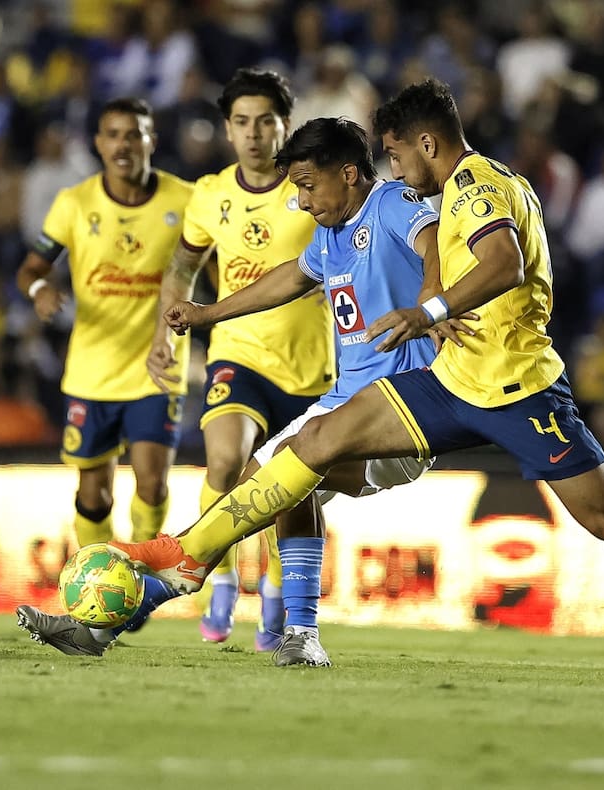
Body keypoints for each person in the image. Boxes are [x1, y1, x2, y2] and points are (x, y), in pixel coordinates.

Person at [103, 78, 604, 684]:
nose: (392, 167)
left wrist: (432, 308)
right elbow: (424, 257)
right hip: (450, 381)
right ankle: (191, 556)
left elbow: (503, 261)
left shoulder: (473, 184)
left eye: (393, 153)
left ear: (425, 143)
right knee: (319, 437)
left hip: (518, 390)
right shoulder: (460, 189)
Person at [16, 116, 470, 663]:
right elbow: (287, 278)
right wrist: (209, 312)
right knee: (270, 488)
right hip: (343, 405)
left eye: (307, 185)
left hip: (400, 408)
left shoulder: (392, 203)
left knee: (273, 476)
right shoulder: (330, 236)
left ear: (349, 173)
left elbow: (436, 243)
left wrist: (432, 303)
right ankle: (259, 628)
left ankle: (188, 572)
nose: (300, 202)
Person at [146, 67, 335, 651]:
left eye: (266, 122)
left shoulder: (310, 191)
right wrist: (163, 334)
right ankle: (218, 579)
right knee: (224, 461)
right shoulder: (210, 196)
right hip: (237, 356)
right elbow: (182, 267)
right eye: (242, 122)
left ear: (286, 126)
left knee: (286, 492)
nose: (254, 134)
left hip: (310, 366)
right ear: (228, 130)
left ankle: (277, 605)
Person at [12, 97, 192, 557]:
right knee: (95, 494)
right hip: (92, 369)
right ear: (98, 143)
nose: (123, 144)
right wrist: (40, 292)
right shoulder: (74, 204)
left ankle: (137, 573)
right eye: (113, 135)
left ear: (151, 140)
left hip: (157, 364)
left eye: (134, 134)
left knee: (152, 483)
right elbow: (30, 270)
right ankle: (96, 571)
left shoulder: (185, 200)